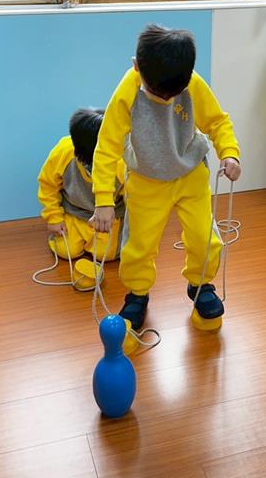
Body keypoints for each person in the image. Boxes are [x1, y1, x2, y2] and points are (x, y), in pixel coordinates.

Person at [90, 25, 240, 329]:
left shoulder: (191, 84)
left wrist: (230, 153)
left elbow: (217, 121)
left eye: (173, 95)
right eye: (157, 93)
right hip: (147, 179)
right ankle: (137, 293)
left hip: (190, 174)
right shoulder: (127, 91)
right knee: (139, 245)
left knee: (204, 237)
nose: (166, 99)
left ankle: (201, 285)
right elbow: (106, 147)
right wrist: (103, 200)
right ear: (136, 66)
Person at [37, 108, 125, 262]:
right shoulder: (64, 151)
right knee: (66, 251)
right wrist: (54, 218)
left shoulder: (122, 161)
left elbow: (134, 197)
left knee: (106, 255)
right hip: (75, 212)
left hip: (108, 218)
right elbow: (48, 185)